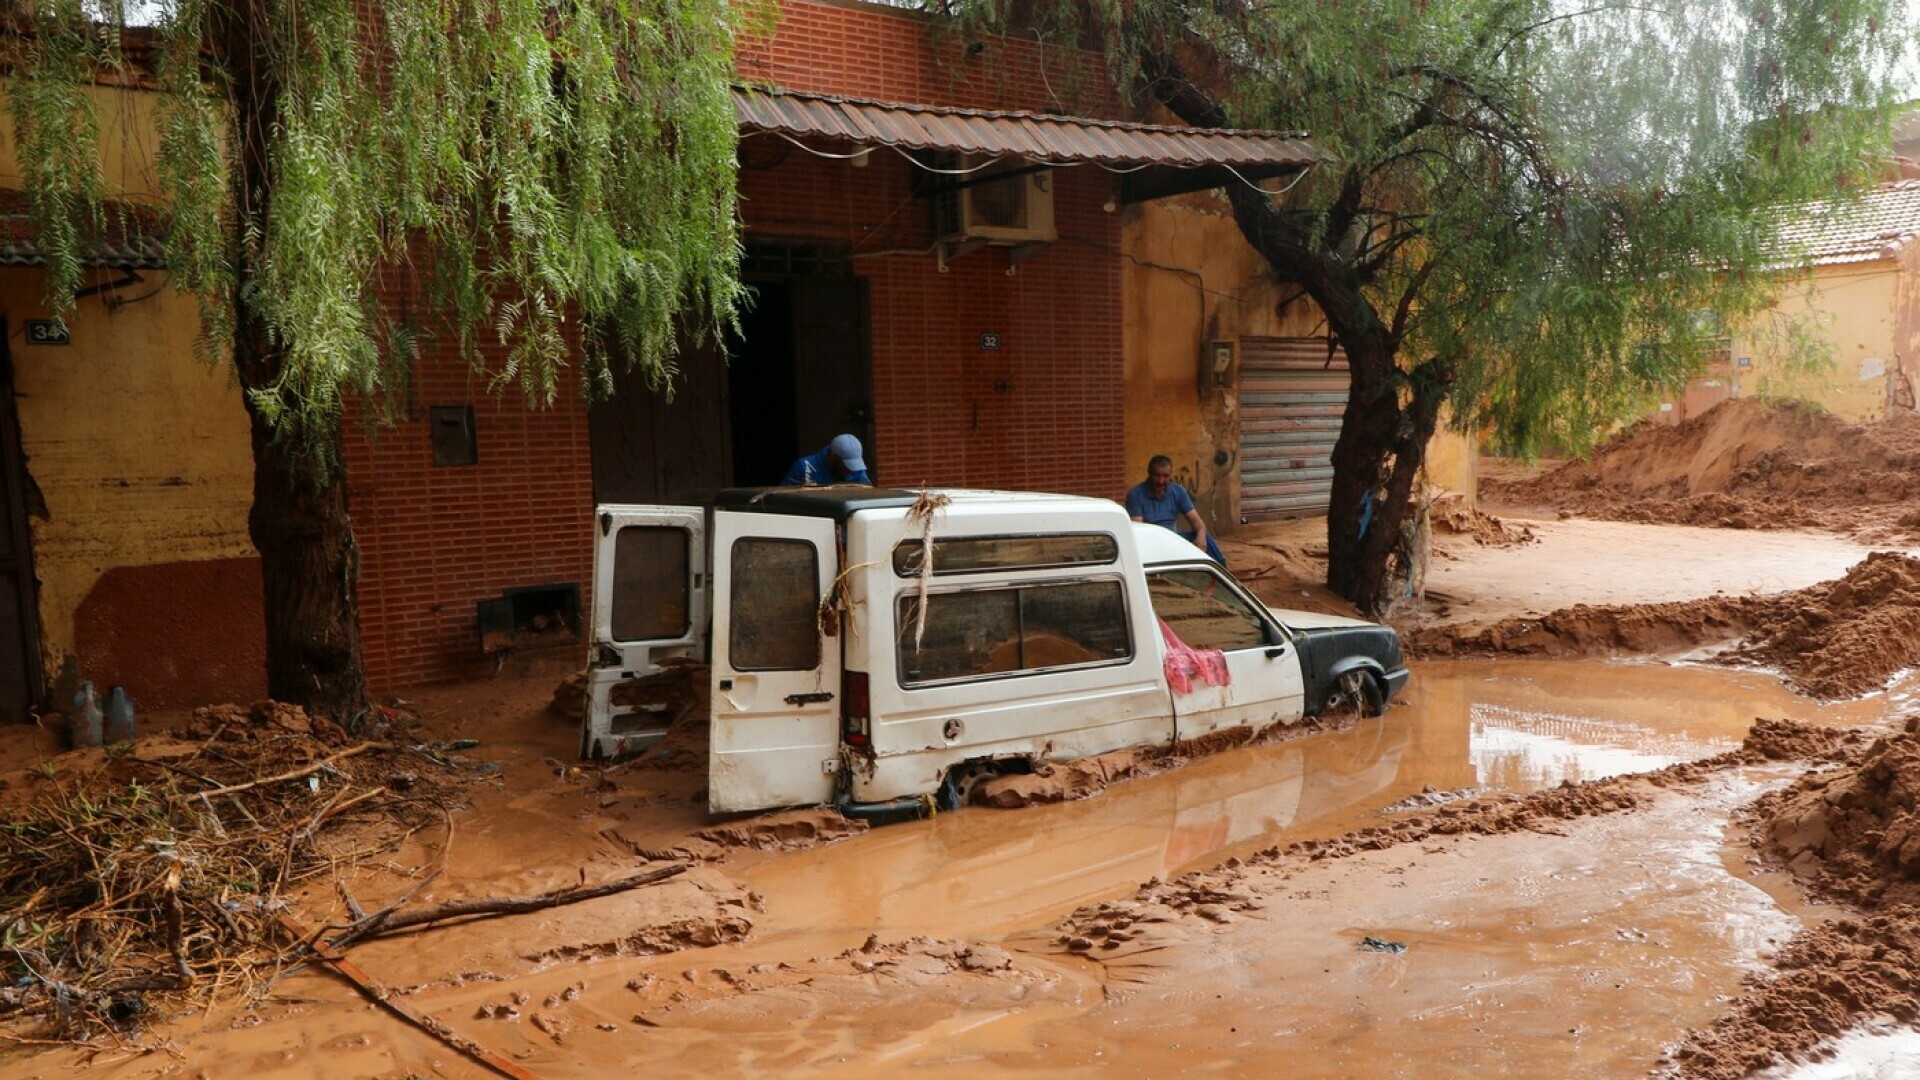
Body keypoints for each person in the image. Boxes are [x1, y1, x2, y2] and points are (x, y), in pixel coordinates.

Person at [1125, 454, 1224, 564]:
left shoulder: (1177, 491)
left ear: (1170, 475)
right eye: (1157, 476)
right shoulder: (1136, 494)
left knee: (1206, 537)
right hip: (1151, 542)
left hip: (1174, 539)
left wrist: (1201, 538)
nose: (1161, 481)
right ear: (1149, 473)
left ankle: (1223, 572)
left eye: (1165, 476)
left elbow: (1198, 523)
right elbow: (1140, 533)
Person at [783, 433, 871, 486]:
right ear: (833, 457)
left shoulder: (858, 473)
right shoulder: (804, 467)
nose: (850, 471)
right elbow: (783, 499)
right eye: (846, 465)